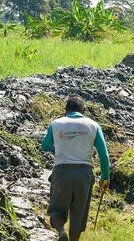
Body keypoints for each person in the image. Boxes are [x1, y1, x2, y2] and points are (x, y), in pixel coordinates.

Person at [41, 95, 110, 241]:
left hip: (61, 173)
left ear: (65, 110)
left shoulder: (55, 123)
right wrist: (105, 177)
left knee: (56, 210)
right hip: (84, 174)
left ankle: (61, 232)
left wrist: (58, 150)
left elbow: (44, 145)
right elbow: (104, 155)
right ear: (83, 110)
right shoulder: (93, 125)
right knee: (78, 214)